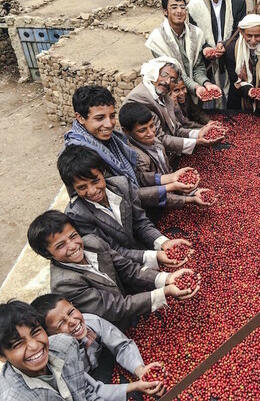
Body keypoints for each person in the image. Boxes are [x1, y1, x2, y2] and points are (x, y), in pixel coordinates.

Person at [27, 210, 200, 329]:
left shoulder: (93, 242)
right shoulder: (65, 283)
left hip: (132, 307)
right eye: (60, 245)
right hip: (115, 326)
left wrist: (167, 278)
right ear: (47, 253)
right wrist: (165, 292)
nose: (72, 246)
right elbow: (114, 308)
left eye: (73, 236)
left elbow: (128, 269)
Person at [57, 145, 194, 268]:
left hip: (139, 251)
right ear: (73, 188)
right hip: (119, 266)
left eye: (96, 181)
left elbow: (141, 223)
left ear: (103, 173)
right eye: (82, 187)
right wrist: (154, 256)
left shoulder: (121, 185)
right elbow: (112, 251)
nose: (92, 191)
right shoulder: (77, 214)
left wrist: (163, 242)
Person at [32, 294, 165, 400]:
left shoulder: (91, 322)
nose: (73, 322)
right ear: (49, 336)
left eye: (71, 312)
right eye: (61, 323)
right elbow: (90, 391)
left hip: (103, 367)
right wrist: (133, 387)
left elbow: (121, 345)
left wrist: (139, 369)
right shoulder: (60, 361)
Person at [62, 85, 168, 209]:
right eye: (100, 118)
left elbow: (132, 176)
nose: (109, 124)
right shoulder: (80, 154)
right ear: (80, 118)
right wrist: (169, 188)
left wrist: (167, 179)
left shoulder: (113, 140)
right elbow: (119, 194)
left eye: (112, 116)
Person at [0, 300, 109, 401]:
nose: (34, 346)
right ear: (2, 356)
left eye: (35, 332)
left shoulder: (66, 346)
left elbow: (85, 393)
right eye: (18, 344)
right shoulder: (15, 397)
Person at [119, 103, 215, 208]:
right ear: (126, 131)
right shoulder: (138, 158)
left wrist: (192, 191)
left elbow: (166, 173)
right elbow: (152, 195)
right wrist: (189, 199)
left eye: (152, 126)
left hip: (170, 196)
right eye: (142, 130)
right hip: (158, 207)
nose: (150, 133)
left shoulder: (155, 141)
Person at [145, 0, 220, 124]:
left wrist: (206, 83)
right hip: (171, 94)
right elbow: (174, 73)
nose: (179, 11)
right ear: (165, 11)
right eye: (174, 7)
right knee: (178, 128)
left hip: (193, 96)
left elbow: (198, 67)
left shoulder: (196, 33)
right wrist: (196, 87)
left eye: (182, 7)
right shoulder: (157, 39)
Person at [123, 57, 219, 156]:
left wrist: (199, 133)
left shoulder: (165, 96)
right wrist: (196, 142)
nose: (168, 81)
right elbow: (158, 138)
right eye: (164, 75)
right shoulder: (139, 98)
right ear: (154, 73)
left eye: (173, 79)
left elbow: (176, 129)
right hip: (146, 157)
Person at [187, 0, 247, 108]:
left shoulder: (237, 3)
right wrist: (207, 48)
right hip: (207, 66)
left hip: (231, 63)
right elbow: (195, 34)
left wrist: (226, 44)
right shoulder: (194, 6)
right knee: (209, 106)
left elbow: (239, 33)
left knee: (232, 106)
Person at [224, 14, 260, 120]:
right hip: (239, 102)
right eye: (249, 35)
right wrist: (249, 91)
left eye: (257, 36)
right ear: (241, 32)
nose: (253, 40)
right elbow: (234, 80)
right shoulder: (231, 49)